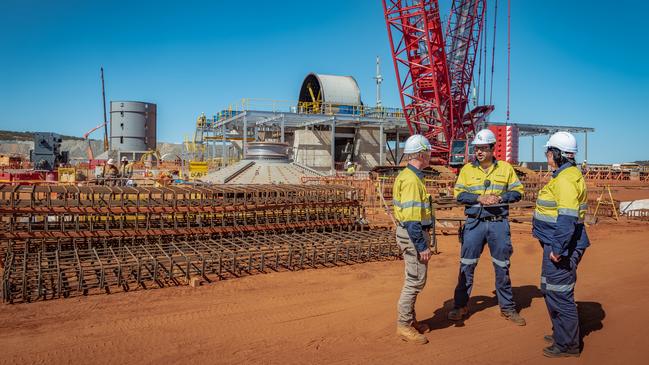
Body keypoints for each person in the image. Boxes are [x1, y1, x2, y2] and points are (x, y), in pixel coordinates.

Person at [448, 129, 526, 325]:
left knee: (502, 266)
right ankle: (460, 305)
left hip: (498, 223)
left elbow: (517, 192)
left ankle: (507, 308)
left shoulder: (506, 169)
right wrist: (479, 198)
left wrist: (500, 197)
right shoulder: (467, 170)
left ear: (493, 148)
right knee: (467, 264)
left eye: (483, 148)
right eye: (477, 148)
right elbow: (459, 195)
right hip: (474, 224)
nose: (479, 152)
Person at [533, 131, 589, 358]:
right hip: (554, 242)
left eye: (548, 151)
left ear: (557, 153)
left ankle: (567, 345)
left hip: (561, 246)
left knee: (560, 293)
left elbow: (566, 218)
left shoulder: (565, 179)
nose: (546, 155)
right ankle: (561, 333)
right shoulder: (564, 175)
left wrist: (558, 249)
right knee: (550, 289)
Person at [393, 134, 436, 344]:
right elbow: (412, 219)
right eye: (428, 152)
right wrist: (422, 246)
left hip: (410, 233)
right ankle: (403, 325)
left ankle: (410, 320)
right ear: (420, 153)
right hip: (413, 235)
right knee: (414, 281)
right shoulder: (411, 180)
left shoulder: (410, 176)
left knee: (414, 278)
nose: (430, 156)